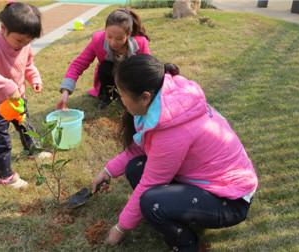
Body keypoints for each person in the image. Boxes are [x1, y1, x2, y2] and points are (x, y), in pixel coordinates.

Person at [92, 54, 258, 251]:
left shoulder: (171, 130)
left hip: (229, 199)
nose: (121, 100)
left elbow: (150, 184)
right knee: (135, 168)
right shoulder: (164, 103)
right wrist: (108, 171)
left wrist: (120, 227)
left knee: (151, 202)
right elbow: (140, 148)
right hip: (205, 181)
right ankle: (173, 213)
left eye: (122, 94)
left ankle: (187, 245)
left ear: (145, 97)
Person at [0, 2, 44, 189]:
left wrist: (34, 78)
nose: (23, 45)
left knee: (25, 126)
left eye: (28, 42)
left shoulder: (25, 46)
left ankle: (33, 150)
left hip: (18, 100)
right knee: (2, 143)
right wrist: (8, 86)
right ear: (3, 29)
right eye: (19, 41)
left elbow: (28, 65)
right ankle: (5, 176)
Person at [57, 8, 151, 110]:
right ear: (105, 30)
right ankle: (107, 96)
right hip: (109, 77)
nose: (113, 43)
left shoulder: (140, 43)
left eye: (119, 39)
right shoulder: (98, 40)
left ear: (128, 34)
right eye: (109, 36)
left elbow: (148, 70)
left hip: (130, 79)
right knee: (105, 67)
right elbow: (78, 64)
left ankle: (126, 96)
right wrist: (66, 90)